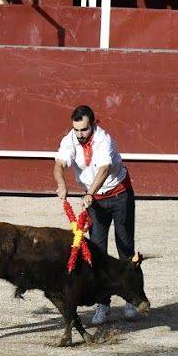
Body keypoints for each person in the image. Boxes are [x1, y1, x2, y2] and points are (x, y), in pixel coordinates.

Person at [52, 104, 140, 327]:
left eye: (84, 130)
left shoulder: (104, 139)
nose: (80, 135)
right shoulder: (71, 138)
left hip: (120, 195)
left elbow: (103, 169)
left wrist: (90, 192)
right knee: (97, 252)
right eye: (77, 130)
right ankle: (103, 304)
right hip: (95, 199)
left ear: (93, 124)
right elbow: (59, 164)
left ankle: (131, 299)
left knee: (125, 247)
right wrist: (61, 184)